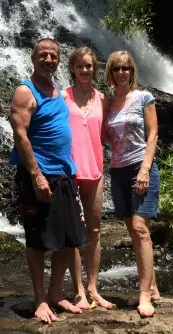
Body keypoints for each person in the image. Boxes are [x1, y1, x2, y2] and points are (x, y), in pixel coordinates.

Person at [10, 38, 88, 324]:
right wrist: (36, 175)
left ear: (58, 60)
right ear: (33, 58)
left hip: (64, 175)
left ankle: (56, 293)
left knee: (69, 238)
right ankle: (40, 299)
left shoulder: (57, 92)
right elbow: (20, 135)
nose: (48, 60)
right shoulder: (24, 91)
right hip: (40, 176)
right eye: (43, 55)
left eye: (53, 56)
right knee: (38, 239)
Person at [105, 51, 161, 317]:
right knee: (134, 231)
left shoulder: (143, 98)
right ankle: (153, 287)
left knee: (140, 229)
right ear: (111, 72)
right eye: (116, 68)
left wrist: (146, 170)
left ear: (132, 71)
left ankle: (144, 296)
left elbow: (153, 134)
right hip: (118, 171)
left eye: (126, 68)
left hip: (141, 168)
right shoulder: (106, 101)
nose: (121, 73)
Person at [62, 47, 114, 311]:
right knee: (73, 233)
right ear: (72, 68)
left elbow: (109, 132)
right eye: (80, 66)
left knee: (94, 231)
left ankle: (93, 288)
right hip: (69, 172)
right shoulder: (62, 97)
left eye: (89, 66)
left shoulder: (103, 98)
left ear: (95, 69)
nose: (84, 70)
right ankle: (78, 291)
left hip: (94, 169)